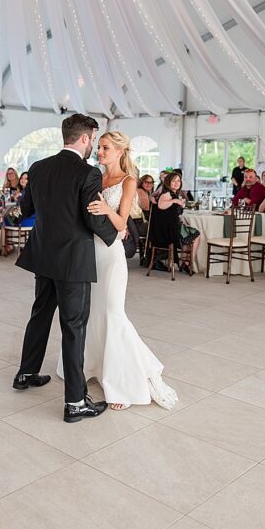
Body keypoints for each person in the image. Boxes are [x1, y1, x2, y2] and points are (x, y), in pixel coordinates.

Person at [13, 113, 118, 423]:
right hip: (72, 262)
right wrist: (115, 237)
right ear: (84, 138)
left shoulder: (38, 167)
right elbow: (91, 217)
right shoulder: (89, 173)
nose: (93, 147)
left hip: (43, 256)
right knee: (73, 327)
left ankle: (26, 373)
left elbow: (27, 209)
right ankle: (75, 402)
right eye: (93, 140)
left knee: (40, 315)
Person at [77, 132, 179, 410]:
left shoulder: (128, 181)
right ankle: (96, 367)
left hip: (111, 255)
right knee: (93, 312)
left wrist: (104, 209)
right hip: (91, 252)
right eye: (99, 147)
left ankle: (122, 381)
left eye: (105, 148)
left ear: (120, 151)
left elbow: (122, 223)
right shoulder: (95, 176)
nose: (100, 152)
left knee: (113, 313)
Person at [150, 171, 201, 275]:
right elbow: (161, 205)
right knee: (196, 235)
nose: (176, 183)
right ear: (168, 182)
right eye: (173, 181)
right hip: (169, 232)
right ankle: (187, 263)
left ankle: (185, 263)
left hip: (170, 228)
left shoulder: (173, 193)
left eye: (178, 181)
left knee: (189, 235)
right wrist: (174, 201)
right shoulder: (167, 193)